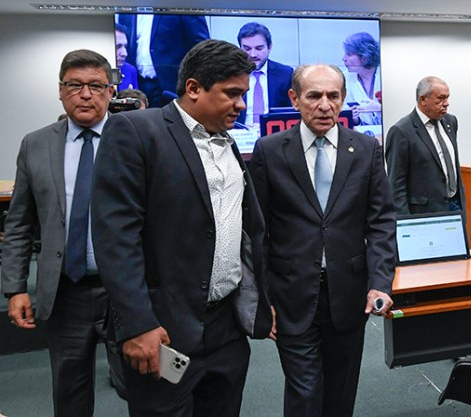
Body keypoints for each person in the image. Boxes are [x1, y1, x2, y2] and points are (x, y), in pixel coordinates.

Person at [91, 40, 273, 416]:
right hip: (163, 329)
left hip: (226, 329)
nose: (242, 104)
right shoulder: (137, 131)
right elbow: (116, 239)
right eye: (232, 93)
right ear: (193, 88)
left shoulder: (227, 142)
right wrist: (138, 324)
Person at [249, 64, 396, 417]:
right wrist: (261, 297)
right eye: (314, 96)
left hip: (349, 294)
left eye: (333, 96)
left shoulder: (365, 149)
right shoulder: (269, 150)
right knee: (304, 393)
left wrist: (380, 283)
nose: (325, 105)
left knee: (340, 394)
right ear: (295, 99)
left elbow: (381, 222)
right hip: (291, 295)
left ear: (343, 99)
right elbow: (256, 230)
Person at [2, 49, 125, 415]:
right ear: (60, 90)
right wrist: (15, 287)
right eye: (75, 85)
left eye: (95, 86)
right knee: (70, 393)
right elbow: (19, 221)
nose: (85, 94)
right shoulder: (36, 144)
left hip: (126, 290)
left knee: (144, 386)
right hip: (65, 291)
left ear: (109, 91)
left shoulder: (135, 137)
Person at [385, 76, 465, 215]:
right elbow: (396, 184)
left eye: (447, 98)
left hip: (455, 205)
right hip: (425, 212)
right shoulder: (401, 131)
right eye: (440, 98)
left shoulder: (450, 122)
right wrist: (405, 222)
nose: (446, 103)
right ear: (423, 100)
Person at [116, 13, 209, 107]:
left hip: (172, 87)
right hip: (138, 86)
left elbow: (201, 47)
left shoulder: (183, 1)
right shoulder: (128, 8)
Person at [235, 22, 293, 126]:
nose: (253, 54)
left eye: (259, 48)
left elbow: (291, 113)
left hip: (274, 134)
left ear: (269, 47)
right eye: (247, 49)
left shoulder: (285, 74)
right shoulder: (232, 74)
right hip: (239, 134)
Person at [342, 32, 382, 126]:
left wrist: (380, 108)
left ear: (364, 57)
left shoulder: (386, 75)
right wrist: (354, 119)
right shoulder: (345, 78)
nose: (344, 58)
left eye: (349, 54)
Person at [114, 23, 139, 91]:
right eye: (118, 47)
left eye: (125, 47)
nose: (124, 53)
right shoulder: (92, 72)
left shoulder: (130, 70)